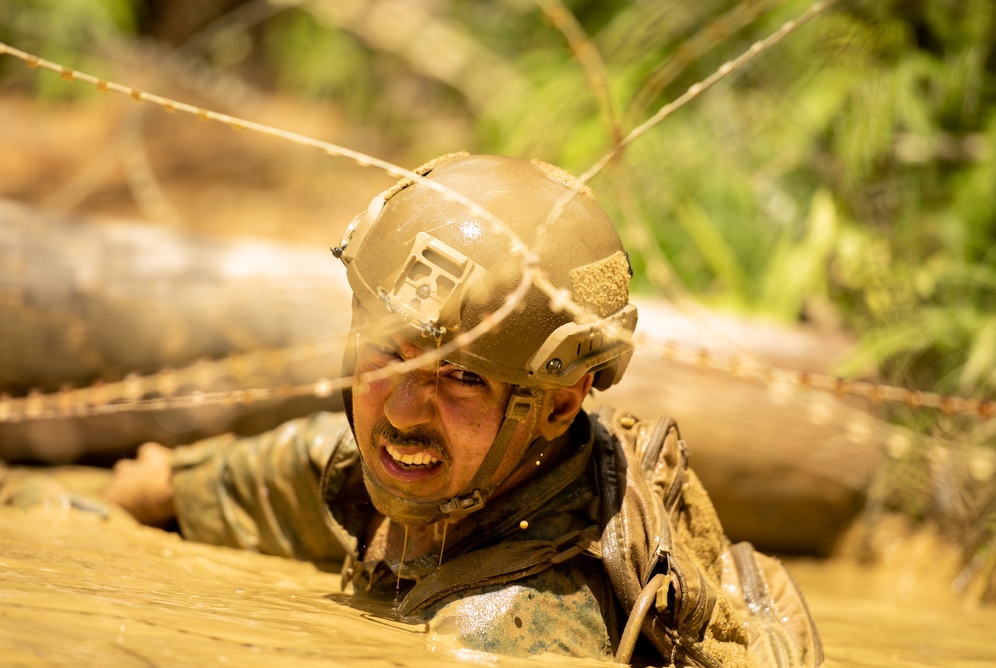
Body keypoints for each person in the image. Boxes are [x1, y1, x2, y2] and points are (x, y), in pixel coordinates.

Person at [104, 153, 823, 666]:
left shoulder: (514, 627)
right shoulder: (371, 478)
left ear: (558, 405)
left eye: (462, 379)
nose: (407, 409)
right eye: (392, 354)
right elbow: (171, 485)